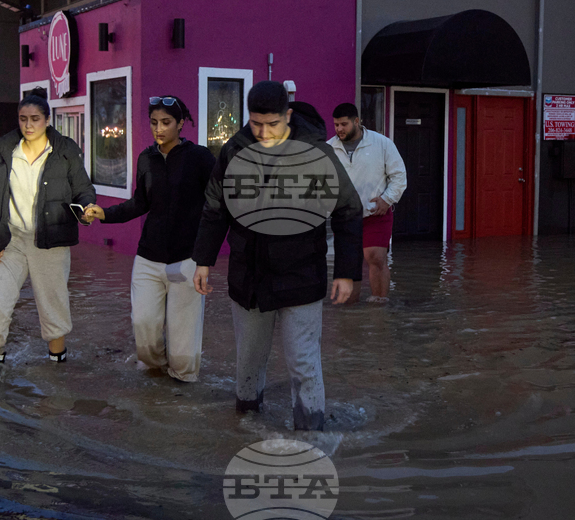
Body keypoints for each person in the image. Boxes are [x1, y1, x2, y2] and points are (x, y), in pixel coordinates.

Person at [192, 81, 363, 430]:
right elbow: (215, 207)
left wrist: (346, 272)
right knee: (248, 361)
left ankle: (312, 435)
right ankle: (244, 430)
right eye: (256, 124)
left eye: (272, 124)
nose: (263, 132)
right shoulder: (234, 151)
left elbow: (348, 210)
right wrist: (204, 261)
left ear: (288, 115)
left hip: (302, 271)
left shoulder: (317, 154)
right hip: (249, 274)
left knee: (303, 362)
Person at [81, 96, 215, 382]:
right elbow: (139, 203)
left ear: (181, 123)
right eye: (154, 123)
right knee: (143, 327)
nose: (159, 129)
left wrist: (205, 256)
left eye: (166, 123)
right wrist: (103, 213)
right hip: (148, 258)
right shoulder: (146, 158)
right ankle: (155, 385)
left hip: (187, 259)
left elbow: (216, 206)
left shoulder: (201, 158)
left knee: (183, 344)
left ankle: (180, 396)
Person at [0, 87, 96, 374]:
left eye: (35, 119)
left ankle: (57, 368)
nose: (28, 125)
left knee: (52, 306)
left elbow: (83, 188)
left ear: (47, 120)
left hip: (50, 241)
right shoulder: (7, 151)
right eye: (23, 118)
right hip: (13, 241)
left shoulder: (64, 150)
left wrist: (88, 208)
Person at [328, 103, 407, 303]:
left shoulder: (382, 143)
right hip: (345, 216)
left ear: (356, 121)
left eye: (343, 124)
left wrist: (387, 199)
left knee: (375, 257)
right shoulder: (329, 148)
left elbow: (399, 176)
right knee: (349, 263)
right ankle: (350, 313)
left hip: (376, 212)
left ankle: (379, 306)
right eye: (336, 125)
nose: (339, 129)